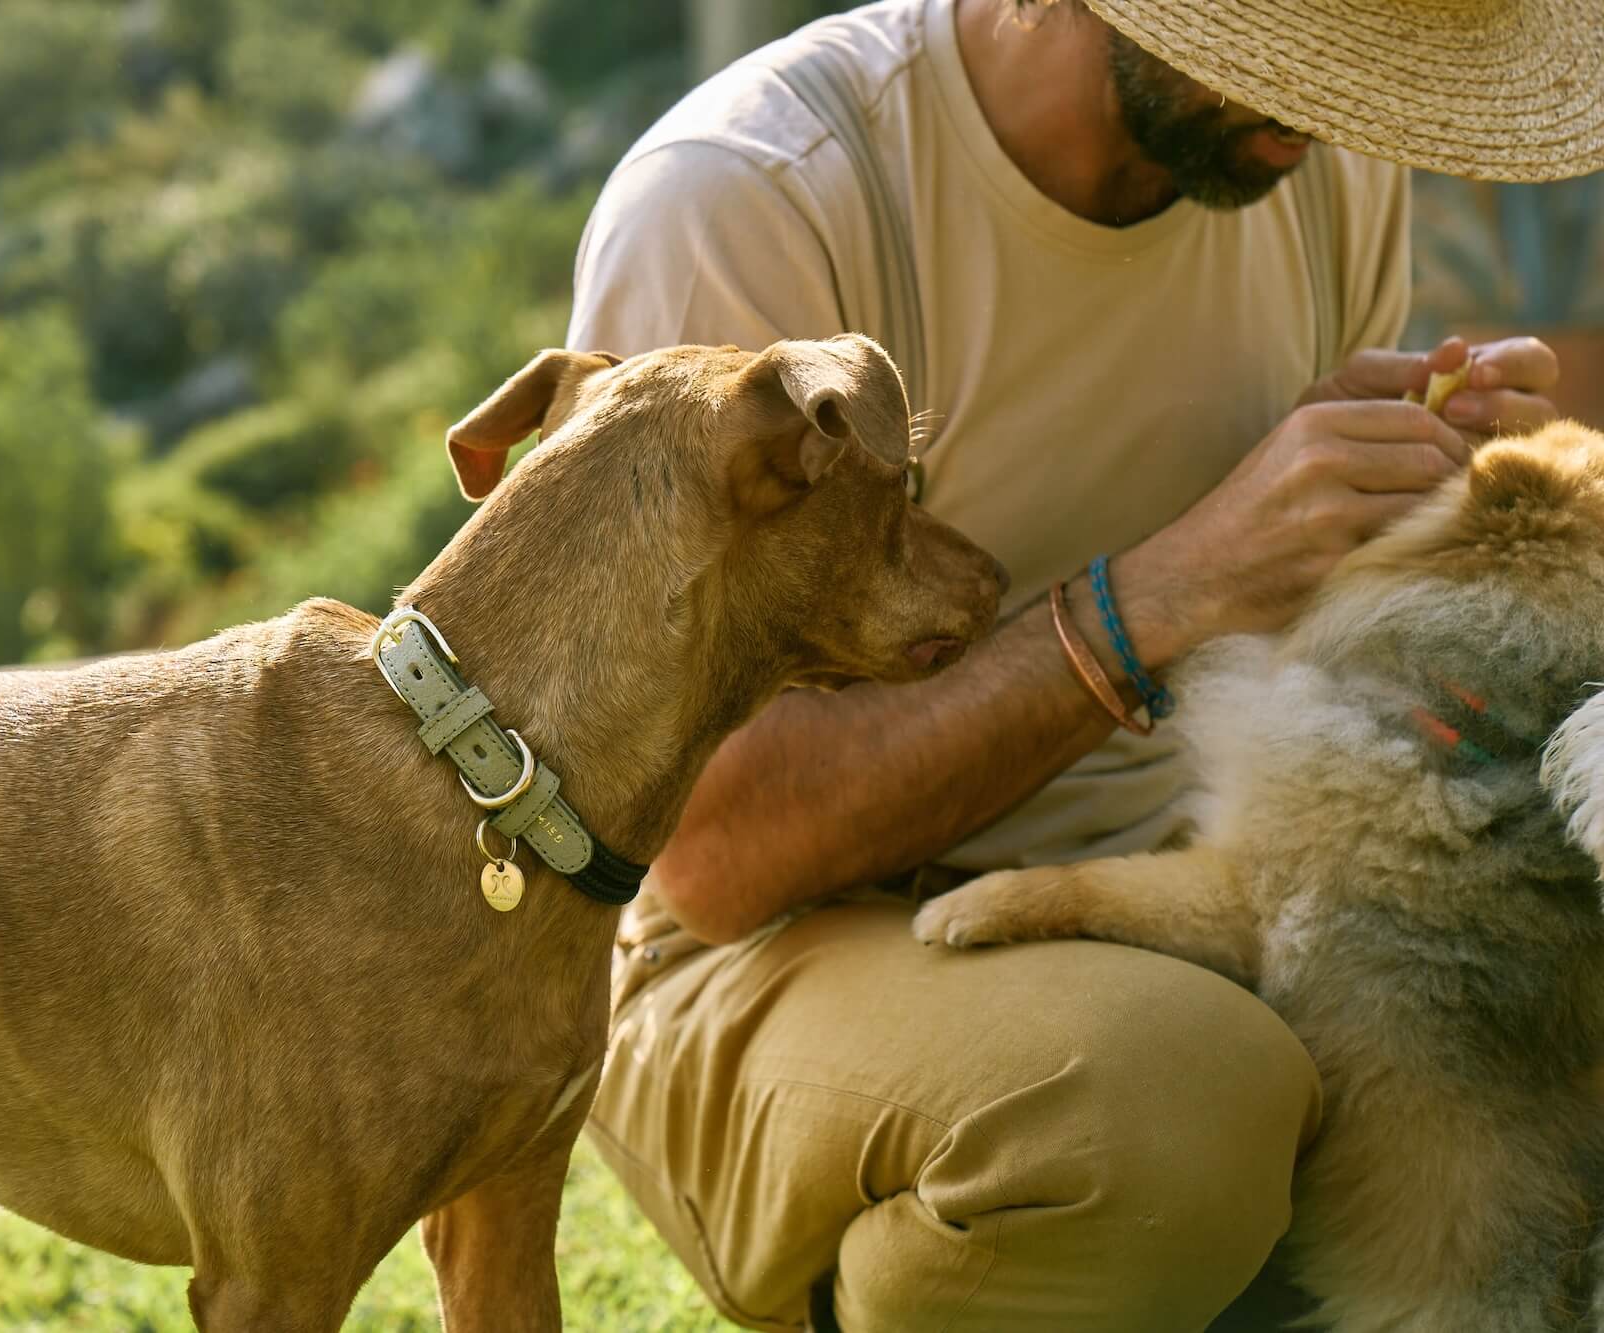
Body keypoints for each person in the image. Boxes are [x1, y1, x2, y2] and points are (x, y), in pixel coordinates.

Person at [566, 0, 1604, 1328]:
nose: (1334, 105)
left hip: (1205, 890)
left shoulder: (1312, 150)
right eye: (1293, 47)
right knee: (1175, 1096)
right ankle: (917, 1279)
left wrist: (1403, 515)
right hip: (770, 959)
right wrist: (1156, 595)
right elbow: (710, 852)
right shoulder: (757, 201)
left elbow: (1283, 667)